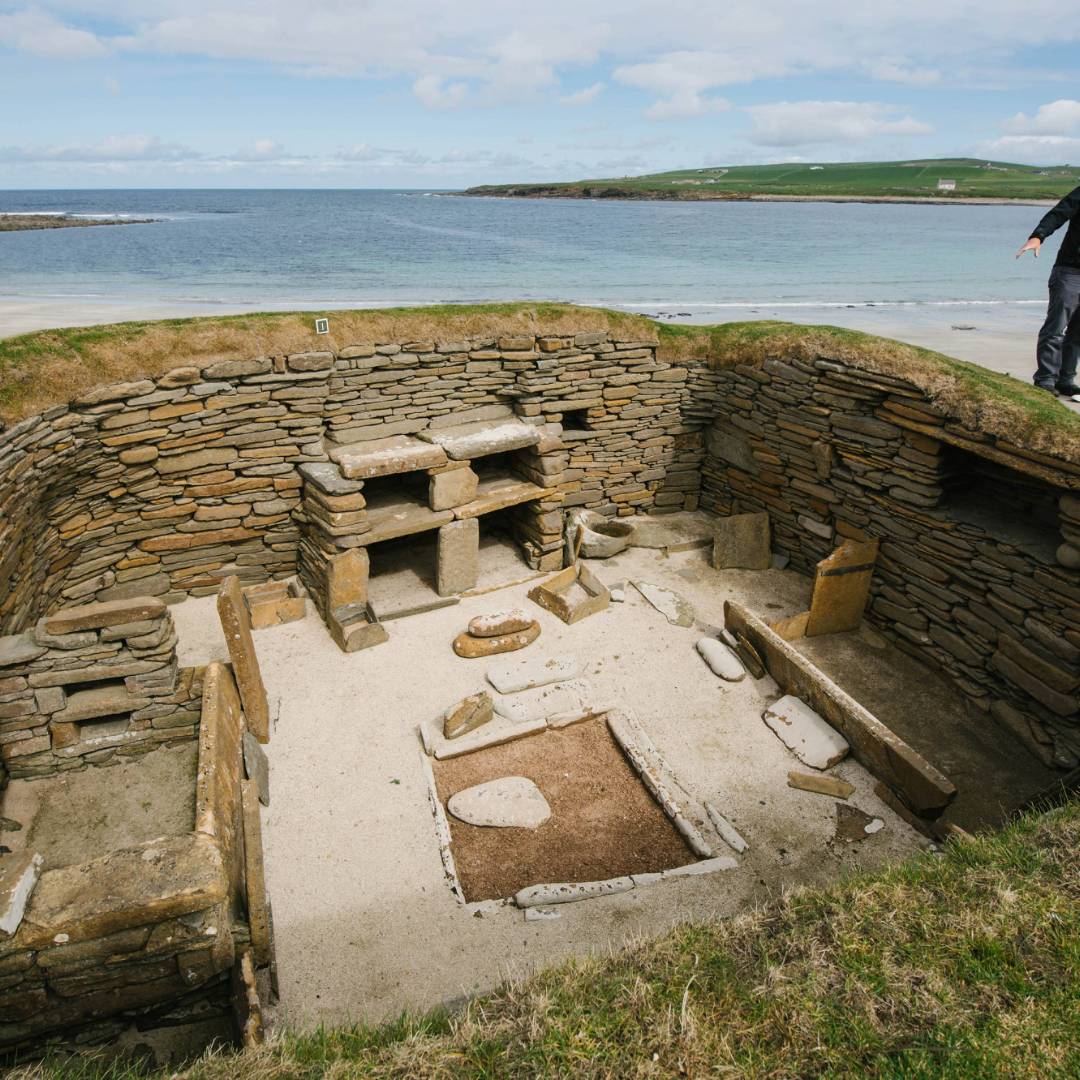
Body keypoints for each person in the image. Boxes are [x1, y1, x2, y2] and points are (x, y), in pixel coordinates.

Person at [1017, 185, 1080, 398]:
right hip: (1070, 271)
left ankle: (1065, 380)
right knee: (1056, 328)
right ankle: (1045, 379)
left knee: (1077, 333)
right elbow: (1058, 214)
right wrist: (1038, 236)